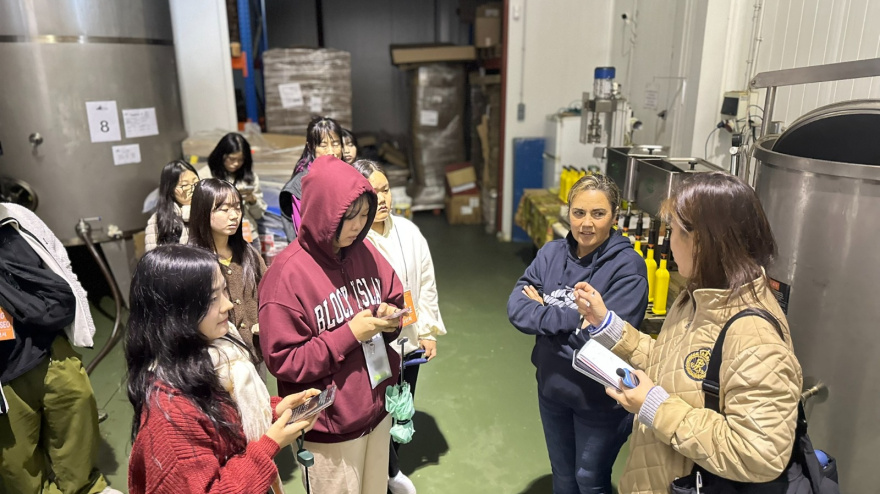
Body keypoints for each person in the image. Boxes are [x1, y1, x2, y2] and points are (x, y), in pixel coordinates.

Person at [574, 172, 803, 494]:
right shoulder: (698, 297)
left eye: (674, 232)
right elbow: (674, 366)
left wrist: (654, 405)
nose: (669, 242)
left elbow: (759, 454)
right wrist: (609, 328)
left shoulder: (754, 338)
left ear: (703, 241)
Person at [259, 156, 406, 494]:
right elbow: (284, 360)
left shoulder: (364, 250)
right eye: (348, 217)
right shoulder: (286, 276)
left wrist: (389, 316)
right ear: (325, 213)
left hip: (377, 411)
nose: (357, 226)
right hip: (328, 428)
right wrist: (349, 335)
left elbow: (396, 295)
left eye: (364, 216)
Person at [126, 245, 320, 494]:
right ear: (176, 312)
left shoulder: (209, 357)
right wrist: (270, 444)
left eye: (224, 292)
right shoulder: (170, 411)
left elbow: (224, 421)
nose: (228, 305)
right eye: (212, 298)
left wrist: (272, 410)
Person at [507, 174, 648, 494]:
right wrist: (575, 318)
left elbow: (605, 341)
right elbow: (517, 308)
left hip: (600, 399)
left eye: (598, 214)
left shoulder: (628, 268)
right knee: (563, 475)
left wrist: (543, 315)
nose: (586, 223)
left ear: (614, 216)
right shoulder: (550, 254)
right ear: (568, 212)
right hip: (552, 389)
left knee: (589, 479)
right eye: (578, 212)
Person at [0, 202, 122, 494]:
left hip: (51, 347)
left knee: (77, 416)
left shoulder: (15, 216)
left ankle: (84, 487)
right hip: (4, 373)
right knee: (16, 462)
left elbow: (58, 260)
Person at [354, 160, 446, 494]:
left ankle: (393, 467)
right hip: (370, 345)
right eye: (372, 192)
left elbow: (426, 282)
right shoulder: (353, 242)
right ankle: (381, 472)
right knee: (374, 410)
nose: (381, 199)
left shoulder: (409, 232)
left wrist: (426, 330)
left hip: (407, 340)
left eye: (385, 189)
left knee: (402, 405)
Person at [189, 179, 268, 376]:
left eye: (237, 208)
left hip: (255, 355)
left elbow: (269, 293)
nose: (234, 216)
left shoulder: (248, 253)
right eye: (223, 209)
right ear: (202, 211)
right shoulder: (194, 262)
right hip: (217, 361)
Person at [279, 116, 344, 241]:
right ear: (310, 147)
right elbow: (303, 235)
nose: (331, 151)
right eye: (323, 145)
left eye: (336, 144)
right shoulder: (300, 185)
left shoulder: (349, 176)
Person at [198, 133, 267, 249]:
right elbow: (200, 211)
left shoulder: (249, 178)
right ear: (221, 155)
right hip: (217, 238)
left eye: (241, 160)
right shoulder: (205, 175)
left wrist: (252, 200)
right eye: (232, 159)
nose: (236, 164)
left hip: (247, 235)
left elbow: (259, 214)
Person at [145, 160, 199, 252]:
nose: (193, 188)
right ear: (170, 190)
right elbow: (154, 260)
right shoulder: (159, 220)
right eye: (184, 185)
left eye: (196, 182)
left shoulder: (209, 210)